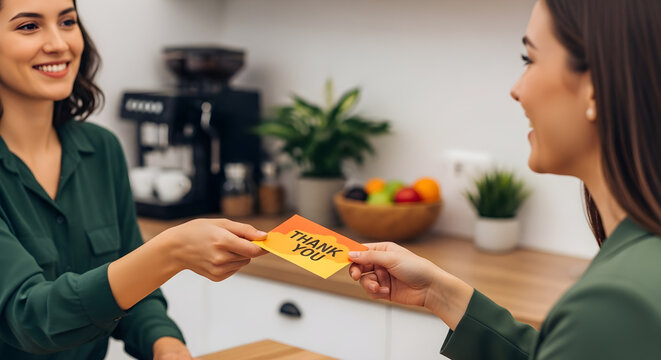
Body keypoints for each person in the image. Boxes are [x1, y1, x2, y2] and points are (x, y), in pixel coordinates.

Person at [349, 0, 661, 359]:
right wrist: (440, 293)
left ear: (594, 88)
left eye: (530, 60)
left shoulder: (616, 304)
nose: (517, 89)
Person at [0, 0, 268, 359]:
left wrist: (166, 345)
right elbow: (32, 318)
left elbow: (133, 293)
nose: (59, 44)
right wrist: (170, 251)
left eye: (67, 21)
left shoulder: (102, 150)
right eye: (29, 26)